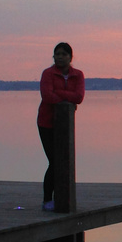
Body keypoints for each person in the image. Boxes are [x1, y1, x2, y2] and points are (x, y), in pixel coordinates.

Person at [37, 42, 85, 211]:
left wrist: (61, 95)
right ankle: (47, 200)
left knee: (63, 161)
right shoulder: (48, 74)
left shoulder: (78, 75)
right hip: (46, 123)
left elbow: (79, 97)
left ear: (71, 57)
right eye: (57, 54)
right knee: (54, 161)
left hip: (65, 126)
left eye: (64, 54)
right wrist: (66, 99)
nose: (60, 57)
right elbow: (47, 96)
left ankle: (62, 198)